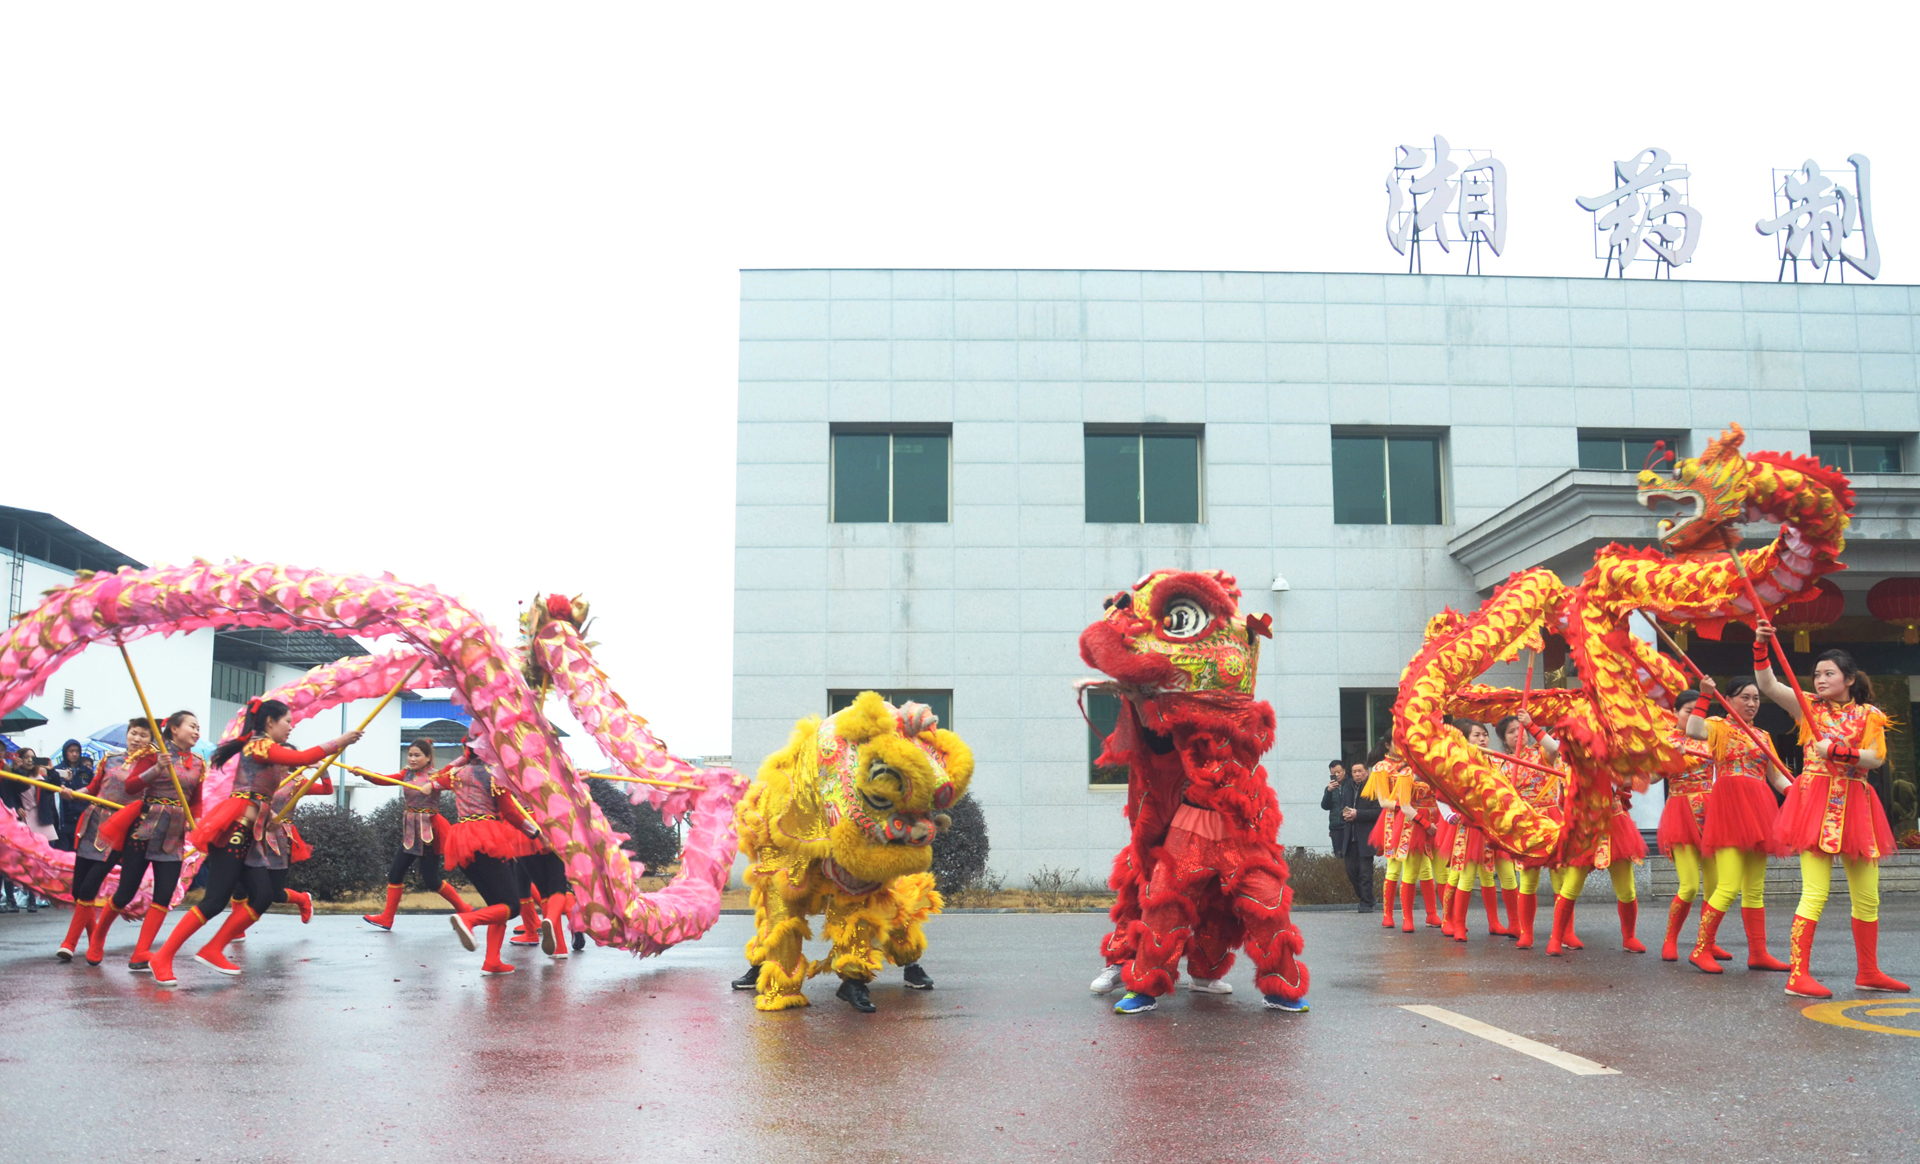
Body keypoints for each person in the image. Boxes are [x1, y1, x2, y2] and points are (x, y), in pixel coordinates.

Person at [148, 700, 358, 986]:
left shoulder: (264, 750)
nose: (291, 726)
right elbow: (302, 757)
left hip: (253, 833)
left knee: (262, 896)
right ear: (270, 722)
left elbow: (256, 791)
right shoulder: (259, 745)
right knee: (214, 901)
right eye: (287, 721)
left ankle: (213, 949)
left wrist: (268, 815)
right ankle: (162, 957)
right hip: (235, 829)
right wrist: (341, 740)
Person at [1754, 625, 1907, 997]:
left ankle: (1868, 971)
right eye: (1817, 674)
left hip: (1856, 803)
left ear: (1849, 679)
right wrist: (1760, 645)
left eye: (1828, 673)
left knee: (1868, 897)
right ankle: (1798, 976)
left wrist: (1839, 752)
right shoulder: (1808, 707)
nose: (1820, 680)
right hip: (1815, 804)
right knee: (1815, 893)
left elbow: (1876, 758)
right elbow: (1769, 685)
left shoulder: (1870, 715)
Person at [1684, 675, 1792, 974]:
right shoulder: (1717, 726)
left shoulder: (1763, 736)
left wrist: (1795, 792)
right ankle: (1701, 948)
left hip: (1759, 810)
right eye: (1745, 697)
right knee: (1729, 886)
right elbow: (1692, 730)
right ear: (1729, 700)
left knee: (1755, 889)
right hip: (1730, 811)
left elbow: (1775, 776)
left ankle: (1758, 953)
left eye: (1756, 698)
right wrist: (1704, 696)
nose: (1752, 703)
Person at [92, 712, 209, 971]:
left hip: (174, 833)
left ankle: (141, 952)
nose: (197, 732)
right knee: (126, 891)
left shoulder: (199, 763)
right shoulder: (152, 753)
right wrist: (156, 769)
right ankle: (97, 938)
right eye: (192, 726)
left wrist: (197, 822)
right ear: (174, 729)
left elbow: (196, 800)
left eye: (198, 728)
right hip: (145, 827)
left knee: (164, 894)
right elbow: (131, 787)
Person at [440, 742, 539, 975]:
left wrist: (462, 758)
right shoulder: (496, 776)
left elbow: (438, 776)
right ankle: (469, 920)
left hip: (461, 841)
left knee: (498, 905)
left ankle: (492, 961)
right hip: (488, 839)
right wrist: (537, 833)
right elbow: (511, 814)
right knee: (512, 906)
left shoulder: (457, 774)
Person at [56, 721, 147, 962]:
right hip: (93, 824)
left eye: (143, 735)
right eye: (134, 733)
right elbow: (93, 788)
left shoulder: (153, 768)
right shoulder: (111, 759)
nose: (137, 738)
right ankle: (95, 937)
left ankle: (69, 943)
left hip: (119, 830)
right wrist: (72, 793)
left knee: (89, 888)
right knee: (79, 891)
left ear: (151, 740)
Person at [360, 738, 469, 931]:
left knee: (431, 879)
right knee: (395, 873)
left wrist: (436, 784)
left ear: (428, 757)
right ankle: (387, 918)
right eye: (410, 755)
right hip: (411, 832)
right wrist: (365, 774)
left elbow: (455, 777)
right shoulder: (406, 773)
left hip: (429, 832)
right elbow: (385, 779)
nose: (412, 759)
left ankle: (464, 908)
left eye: (417, 755)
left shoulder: (437, 775)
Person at [1653, 694, 1726, 963]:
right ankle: (1670, 940)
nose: (1695, 716)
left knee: (1715, 886)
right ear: (1675, 712)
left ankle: (1707, 942)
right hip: (1681, 812)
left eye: (1699, 711)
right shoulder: (1665, 740)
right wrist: (1670, 759)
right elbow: (1651, 777)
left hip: (1711, 811)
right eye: (1688, 710)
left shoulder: (1711, 737)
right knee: (1690, 886)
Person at [1546, 786, 1647, 955]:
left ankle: (1629, 937)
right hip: (1585, 829)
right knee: (1571, 887)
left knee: (1627, 890)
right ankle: (1556, 938)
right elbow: (1563, 801)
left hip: (1616, 827)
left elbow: (1627, 786)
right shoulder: (1574, 769)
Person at [1493, 712, 1561, 949]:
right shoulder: (1501, 764)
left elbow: (1555, 748)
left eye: (1519, 729)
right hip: (1526, 824)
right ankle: (1526, 932)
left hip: (1550, 818)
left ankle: (1564, 932)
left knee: (1560, 878)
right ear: (1504, 739)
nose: (1517, 734)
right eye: (1511, 732)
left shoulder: (1539, 753)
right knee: (1528, 881)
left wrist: (1531, 725)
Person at [1320, 758, 1379, 912]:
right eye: (1355, 772)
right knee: (1351, 871)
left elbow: (1379, 812)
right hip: (1349, 836)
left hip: (1366, 836)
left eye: (1360, 771)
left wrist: (1357, 814)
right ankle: (1368, 897)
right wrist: (1344, 814)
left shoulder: (1373, 788)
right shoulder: (1348, 788)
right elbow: (1332, 806)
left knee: (1365, 872)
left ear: (1366, 772)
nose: (1357, 774)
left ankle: (1366, 903)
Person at [51, 740, 92, 852]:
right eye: (71, 751)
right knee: (62, 851)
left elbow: (91, 790)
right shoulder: (57, 770)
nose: (74, 754)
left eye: (77, 751)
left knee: (78, 851)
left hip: (81, 816)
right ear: (65, 752)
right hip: (63, 817)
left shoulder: (87, 771)